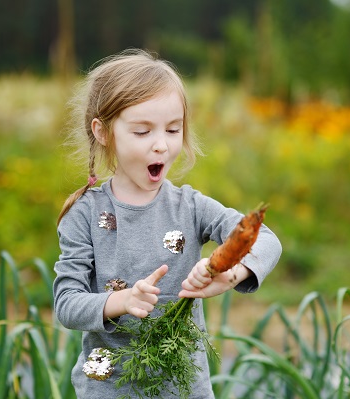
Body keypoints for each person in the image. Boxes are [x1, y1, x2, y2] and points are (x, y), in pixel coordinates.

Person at [53, 48, 282, 398]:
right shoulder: (84, 214)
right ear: (103, 132)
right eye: (142, 132)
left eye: (173, 130)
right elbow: (67, 304)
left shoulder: (190, 207)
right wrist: (123, 301)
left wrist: (231, 274)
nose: (161, 145)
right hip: (108, 389)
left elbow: (265, 239)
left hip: (184, 388)